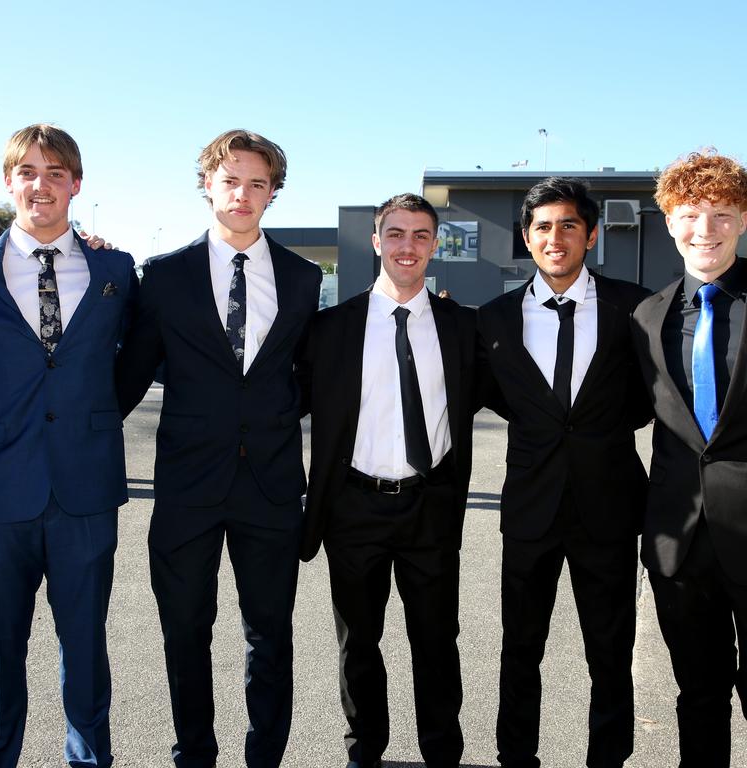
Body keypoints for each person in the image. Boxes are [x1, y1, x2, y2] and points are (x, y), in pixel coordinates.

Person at [0, 124, 137, 768]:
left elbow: (133, 363)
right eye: (27, 171)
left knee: (86, 650)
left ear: (76, 185)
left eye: (55, 173)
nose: (40, 185)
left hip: (86, 489)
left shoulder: (115, 269)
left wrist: (97, 419)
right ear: (7, 182)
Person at [116, 129, 321, 768]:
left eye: (257, 183)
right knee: (185, 634)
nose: (243, 193)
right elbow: (128, 375)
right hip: (186, 488)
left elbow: (310, 378)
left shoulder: (302, 276)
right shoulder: (164, 276)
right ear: (207, 184)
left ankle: (265, 757)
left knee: (271, 638)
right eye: (231, 180)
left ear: (272, 194)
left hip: (271, 486)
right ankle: (194, 755)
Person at [299, 193, 480, 768]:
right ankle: (365, 753)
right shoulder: (330, 329)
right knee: (359, 644)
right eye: (396, 234)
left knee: (435, 643)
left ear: (434, 245)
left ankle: (442, 754)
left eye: (420, 235)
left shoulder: (462, 328)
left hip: (430, 505)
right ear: (376, 241)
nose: (408, 246)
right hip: (354, 506)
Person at [477, 177, 650, 768]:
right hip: (530, 509)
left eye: (569, 225)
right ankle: (516, 756)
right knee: (521, 649)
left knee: (610, 650)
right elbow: (500, 397)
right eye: (544, 226)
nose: (556, 237)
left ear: (592, 235)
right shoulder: (493, 320)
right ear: (527, 237)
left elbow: (647, 399)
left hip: (608, 506)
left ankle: (609, 757)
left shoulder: (635, 308)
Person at [630, 149, 747, 767]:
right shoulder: (648, 317)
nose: (707, 228)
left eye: (723, 213)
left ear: (743, 220)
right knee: (698, 694)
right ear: (669, 220)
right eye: (692, 213)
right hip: (680, 543)